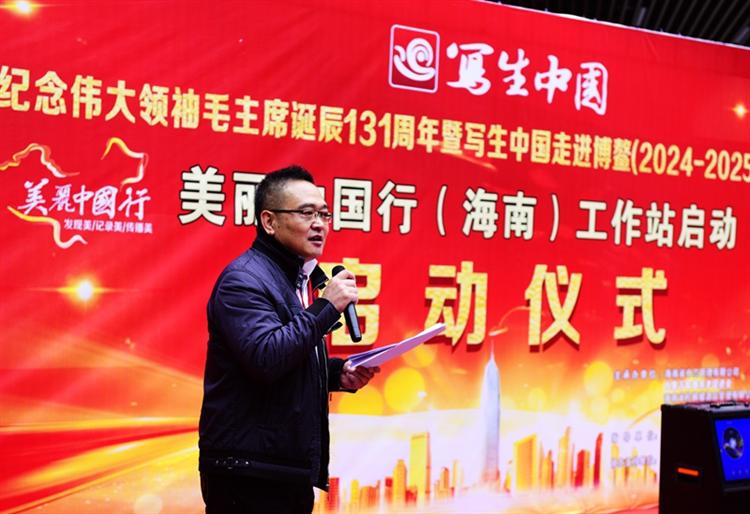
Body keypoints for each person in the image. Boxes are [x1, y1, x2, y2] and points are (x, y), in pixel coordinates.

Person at [198, 165, 379, 514]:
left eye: (324, 214)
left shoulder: (295, 278)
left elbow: (290, 356)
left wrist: (337, 374)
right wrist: (327, 307)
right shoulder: (243, 280)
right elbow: (265, 358)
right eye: (306, 213)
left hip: (284, 469)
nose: (319, 224)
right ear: (269, 221)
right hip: (248, 474)